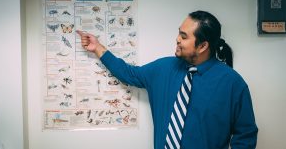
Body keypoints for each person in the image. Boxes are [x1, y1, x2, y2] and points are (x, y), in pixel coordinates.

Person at [76, 10, 258, 149]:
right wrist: (98, 48)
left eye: (184, 36)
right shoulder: (163, 68)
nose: (177, 39)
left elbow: (246, 134)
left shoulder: (232, 83)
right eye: (179, 33)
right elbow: (128, 73)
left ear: (203, 46)